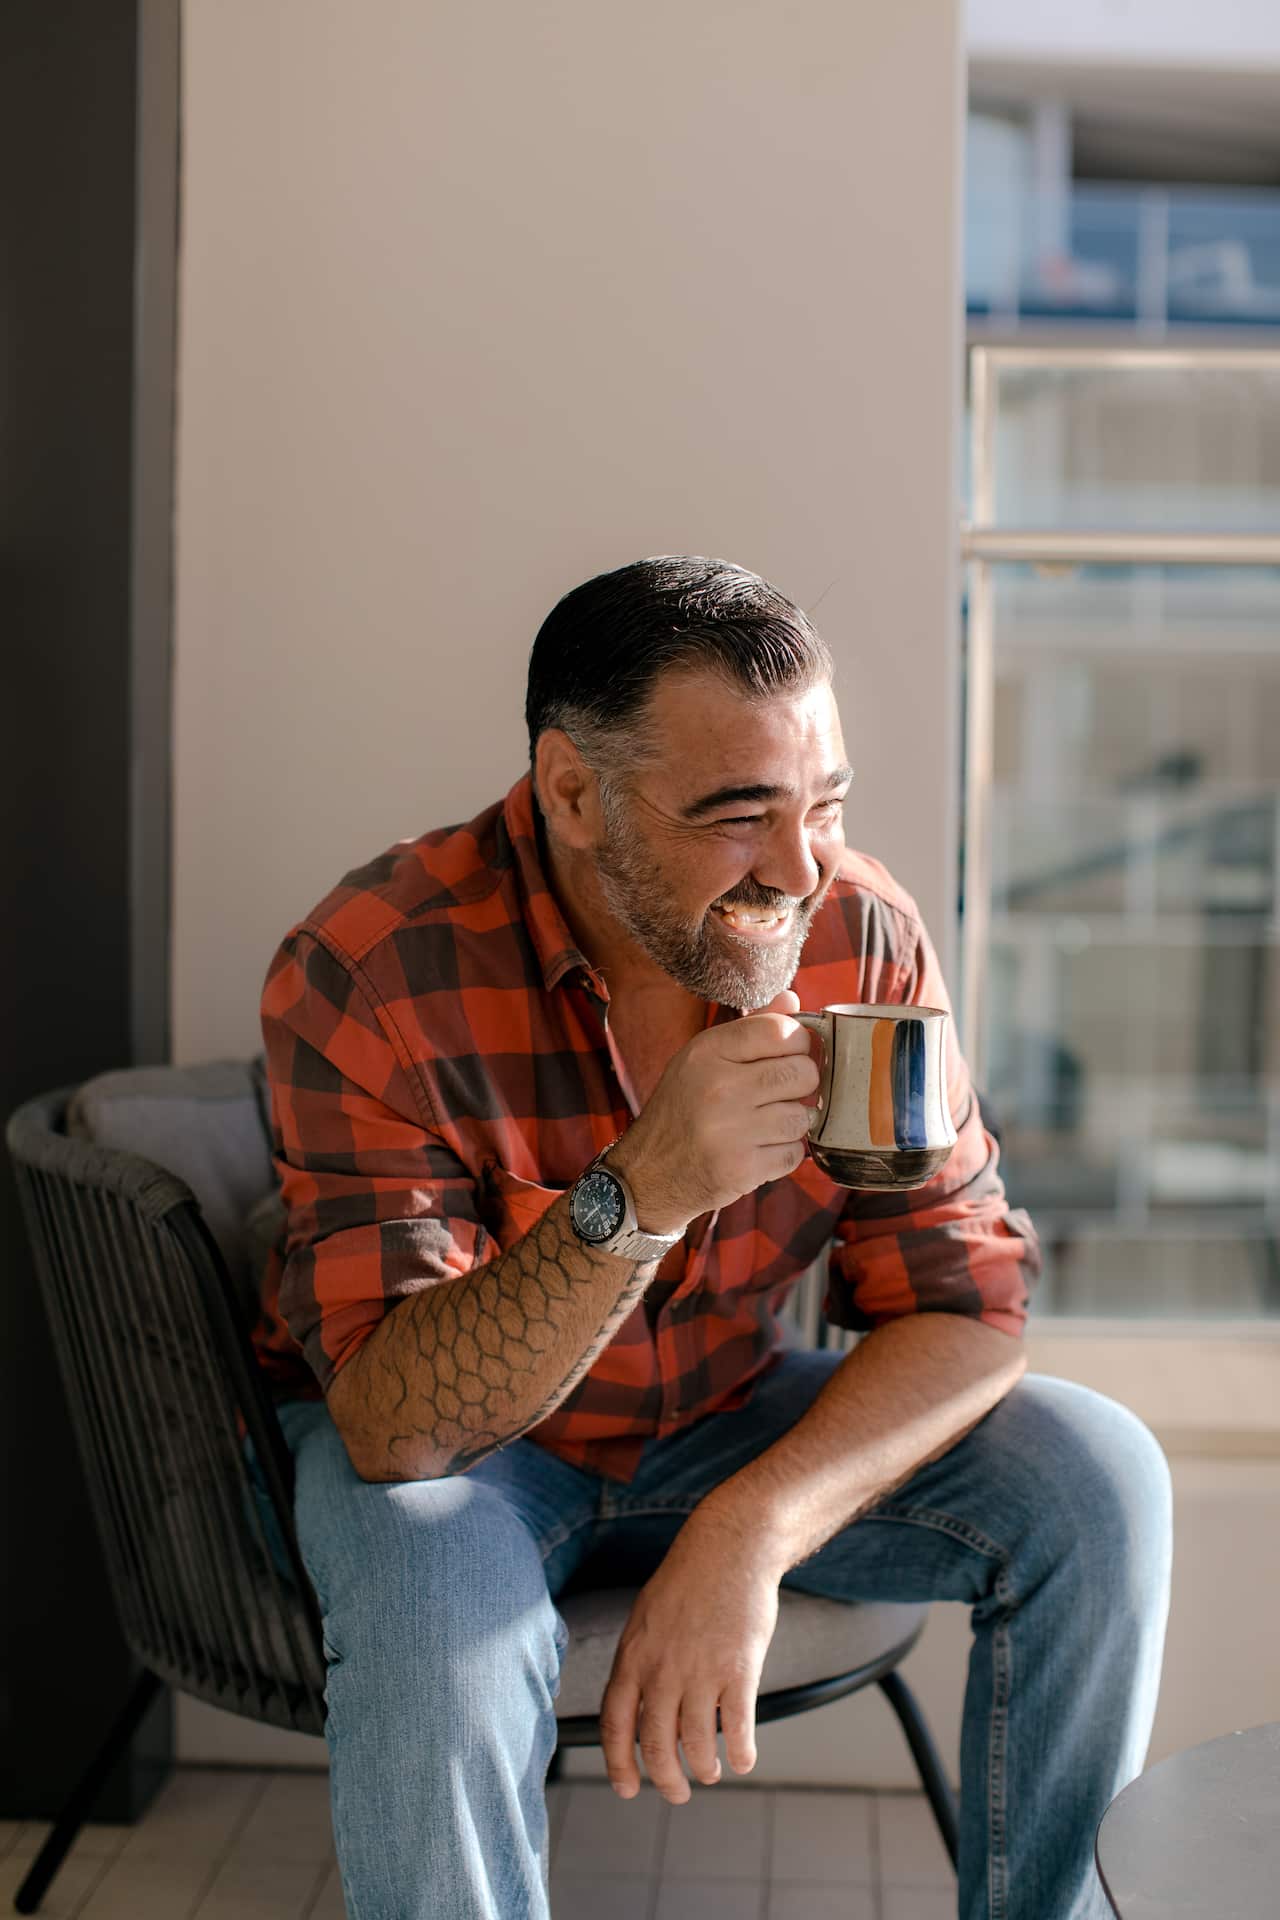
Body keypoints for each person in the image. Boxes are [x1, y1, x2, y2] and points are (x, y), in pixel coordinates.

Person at [255, 556, 1172, 1920]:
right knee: (430, 1599)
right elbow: (395, 1428)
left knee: (1098, 1479)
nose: (800, 870)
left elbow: (966, 1302)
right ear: (574, 794)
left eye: (825, 805)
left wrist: (750, 1530)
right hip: (470, 1461)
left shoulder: (861, 934)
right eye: (741, 815)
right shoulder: (378, 963)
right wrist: (644, 1193)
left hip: (726, 1416)